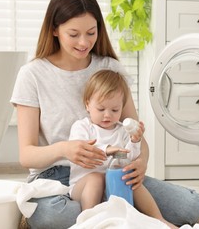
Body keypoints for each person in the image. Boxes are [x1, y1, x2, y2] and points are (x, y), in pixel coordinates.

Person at [10, 0, 199, 229]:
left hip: (113, 169)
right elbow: (26, 154)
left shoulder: (110, 68)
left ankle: (110, 211)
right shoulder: (33, 74)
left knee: (190, 207)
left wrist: (141, 162)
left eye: (91, 32)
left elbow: (134, 131)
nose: (84, 42)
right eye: (74, 34)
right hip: (58, 175)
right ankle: (116, 211)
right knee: (51, 217)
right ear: (54, 30)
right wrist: (66, 149)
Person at [69, 69, 177, 229]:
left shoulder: (121, 130)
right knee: (96, 178)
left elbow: (130, 157)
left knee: (131, 178)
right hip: (83, 186)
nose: (107, 115)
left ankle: (159, 220)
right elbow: (82, 149)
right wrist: (107, 149)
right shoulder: (83, 127)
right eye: (101, 109)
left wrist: (135, 141)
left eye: (115, 110)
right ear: (87, 104)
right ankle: (88, 221)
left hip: (113, 184)